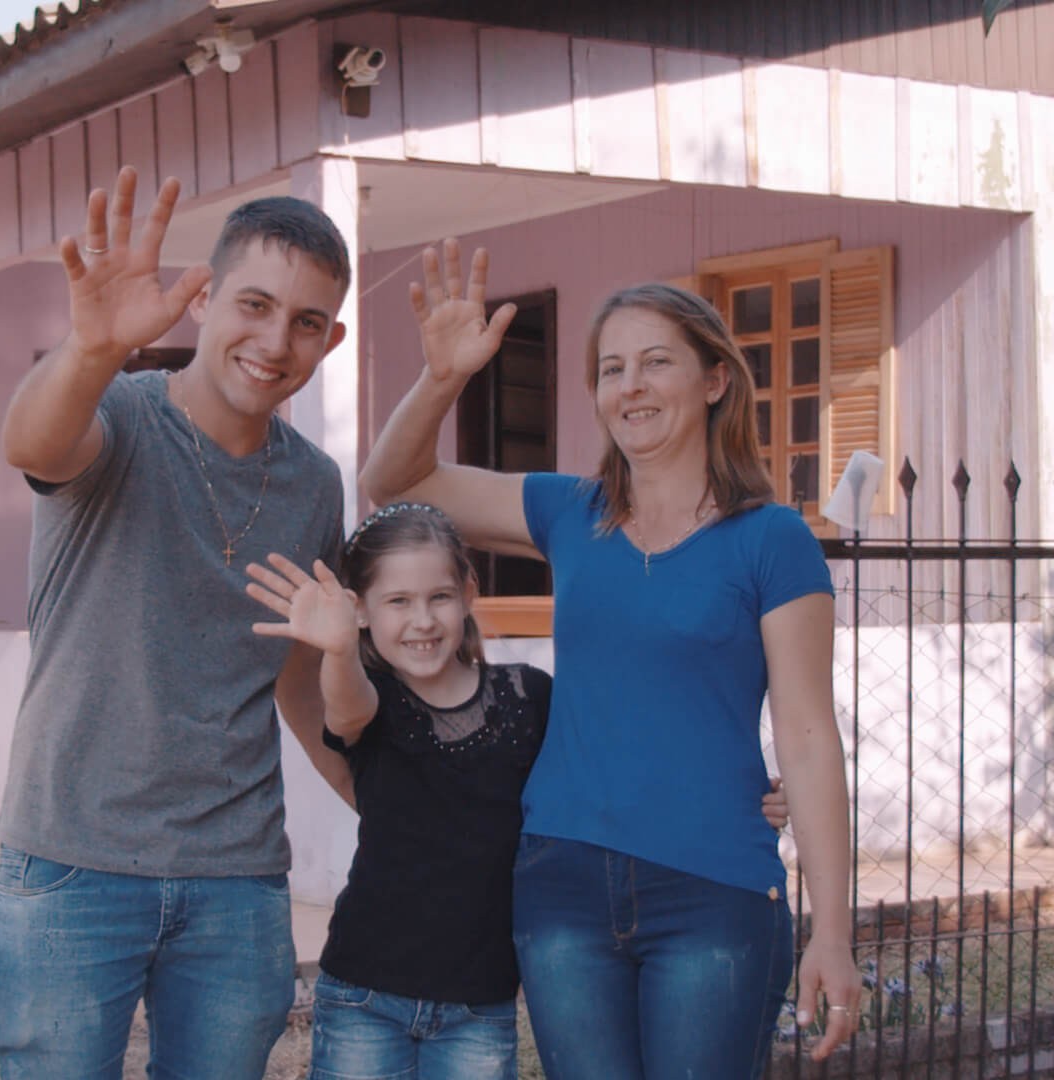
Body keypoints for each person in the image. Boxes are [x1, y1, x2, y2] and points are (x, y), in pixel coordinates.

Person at [358, 241, 863, 1078]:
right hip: (563, 887)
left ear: (714, 381)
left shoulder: (773, 540)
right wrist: (444, 375)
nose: (628, 386)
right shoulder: (570, 510)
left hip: (716, 891)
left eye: (656, 362)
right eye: (611, 368)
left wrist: (835, 933)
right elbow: (392, 480)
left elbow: (809, 735)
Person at [0, 166, 358, 1079]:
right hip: (74, 863)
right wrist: (90, 352)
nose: (275, 340)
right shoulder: (115, 415)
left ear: (331, 339)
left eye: (307, 322)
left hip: (236, 881)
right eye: (256, 304)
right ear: (203, 299)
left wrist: (400, 806)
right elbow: (31, 444)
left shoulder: (314, 483)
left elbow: (296, 680)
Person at [243, 503, 792, 1080]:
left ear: (469, 592)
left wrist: (743, 793)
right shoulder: (373, 698)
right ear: (361, 610)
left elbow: (610, 761)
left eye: (439, 597)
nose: (422, 620)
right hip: (364, 997)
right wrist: (337, 650)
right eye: (398, 602)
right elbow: (347, 706)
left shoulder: (529, 697)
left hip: (479, 1008)